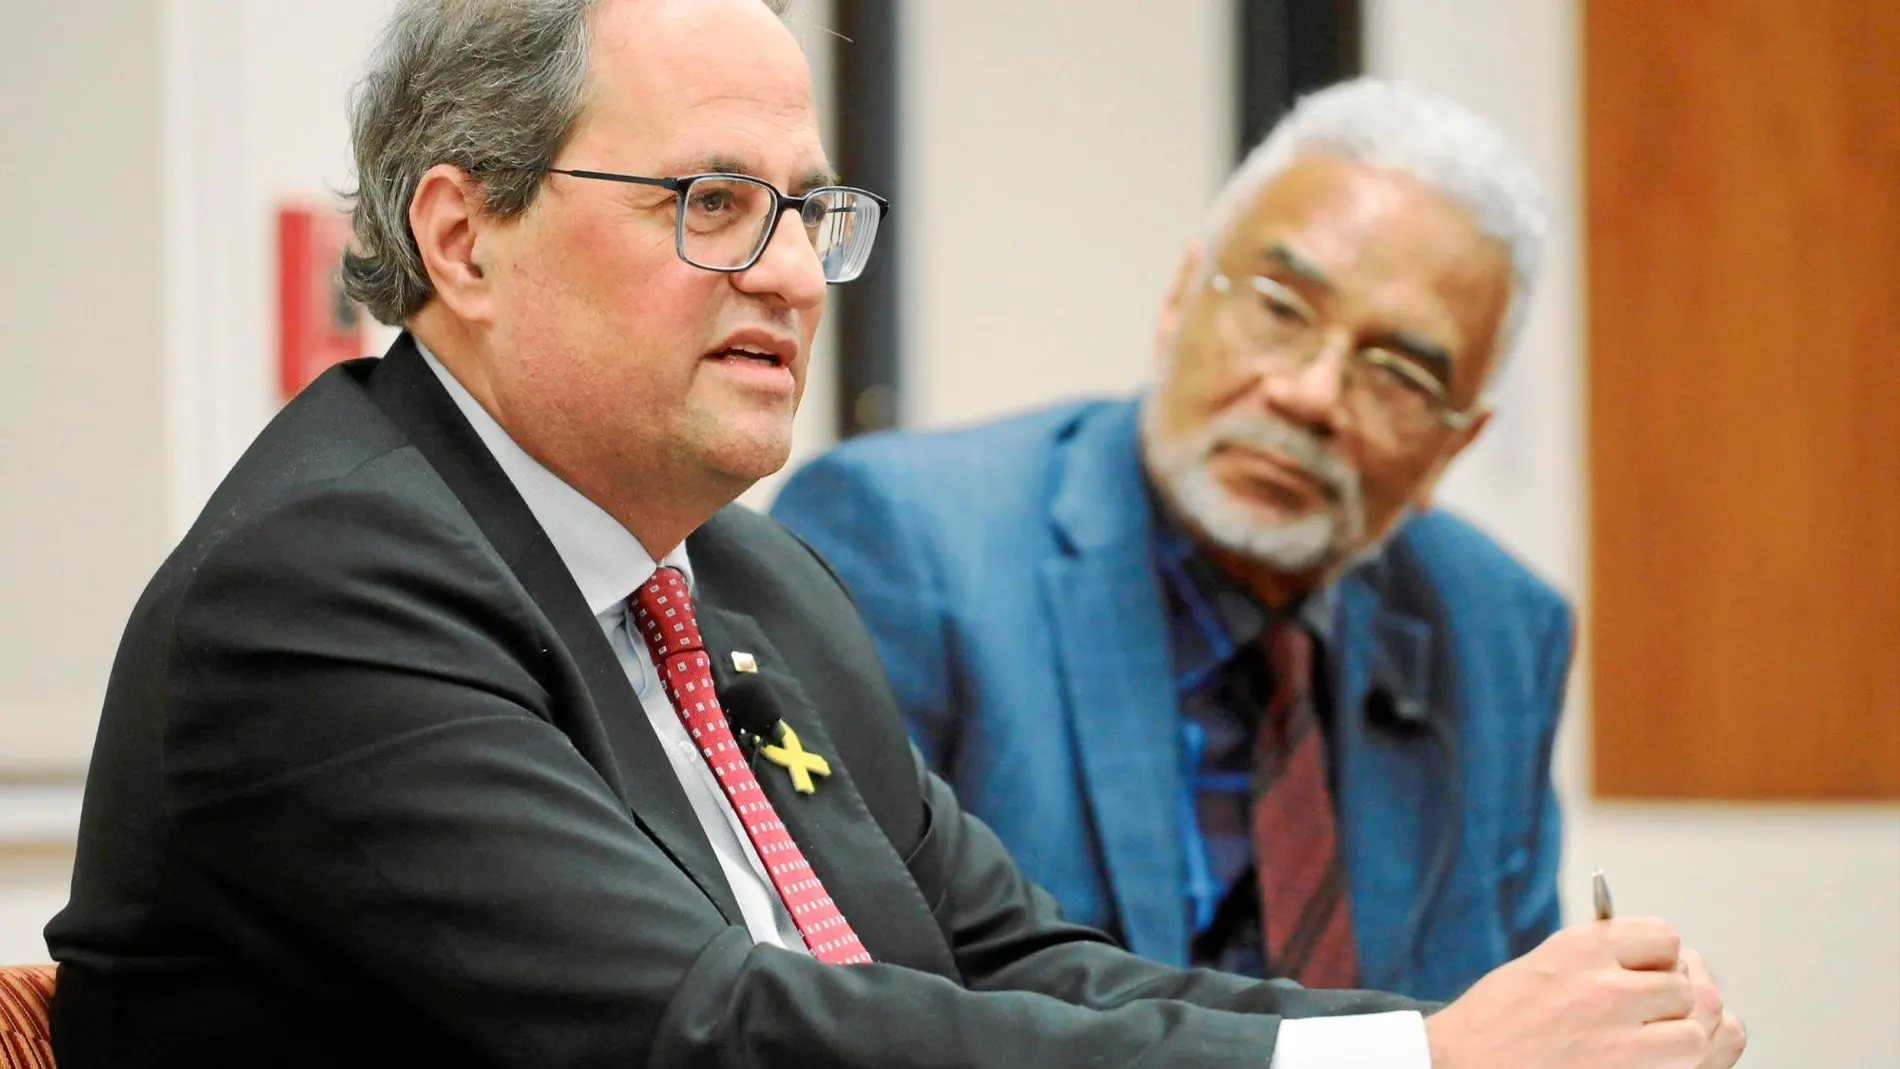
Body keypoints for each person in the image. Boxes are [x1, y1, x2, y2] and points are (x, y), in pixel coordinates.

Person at [44, 3, 1743, 1067]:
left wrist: (1444, 1038)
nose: (788, 269)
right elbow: (711, 1028)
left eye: (805, 210)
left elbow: (1012, 957)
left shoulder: (742, 578)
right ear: (462, 235)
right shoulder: (325, 587)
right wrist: (1429, 1066)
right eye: (710, 203)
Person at [771, 77, 1569, 1001]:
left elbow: (1515, 1022)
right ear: (1182, 296)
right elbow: (858, 1008)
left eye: (1396, 371)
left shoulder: (1500, 630)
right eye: (1280, 306)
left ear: (1453, 443)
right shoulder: (907, 542)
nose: (1310, 394)